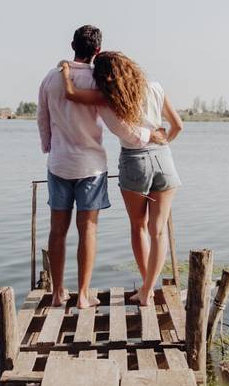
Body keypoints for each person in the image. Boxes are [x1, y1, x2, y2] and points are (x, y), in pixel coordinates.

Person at [37, 26, 167, 309]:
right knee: (89, 230)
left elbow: (42, 117)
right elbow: (118, 125)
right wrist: (148, 135)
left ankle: (58, 293)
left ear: (72, 44)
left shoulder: (51, 77)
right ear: (97, 51)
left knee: (57, 229)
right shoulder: (98, 82)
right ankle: (83, 295)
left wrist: (49, 147)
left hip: (58, 163)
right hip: (91, 166)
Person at [58, 51, 183, 306]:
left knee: (139, 226)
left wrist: (66, 71)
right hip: (164, 160)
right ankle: (147, 291)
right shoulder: (156, 88)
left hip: (134, 161)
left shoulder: (108, 97)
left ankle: (145, 290)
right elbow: (178, 125)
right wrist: (161, 143)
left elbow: (70, 93)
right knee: (158, 232)